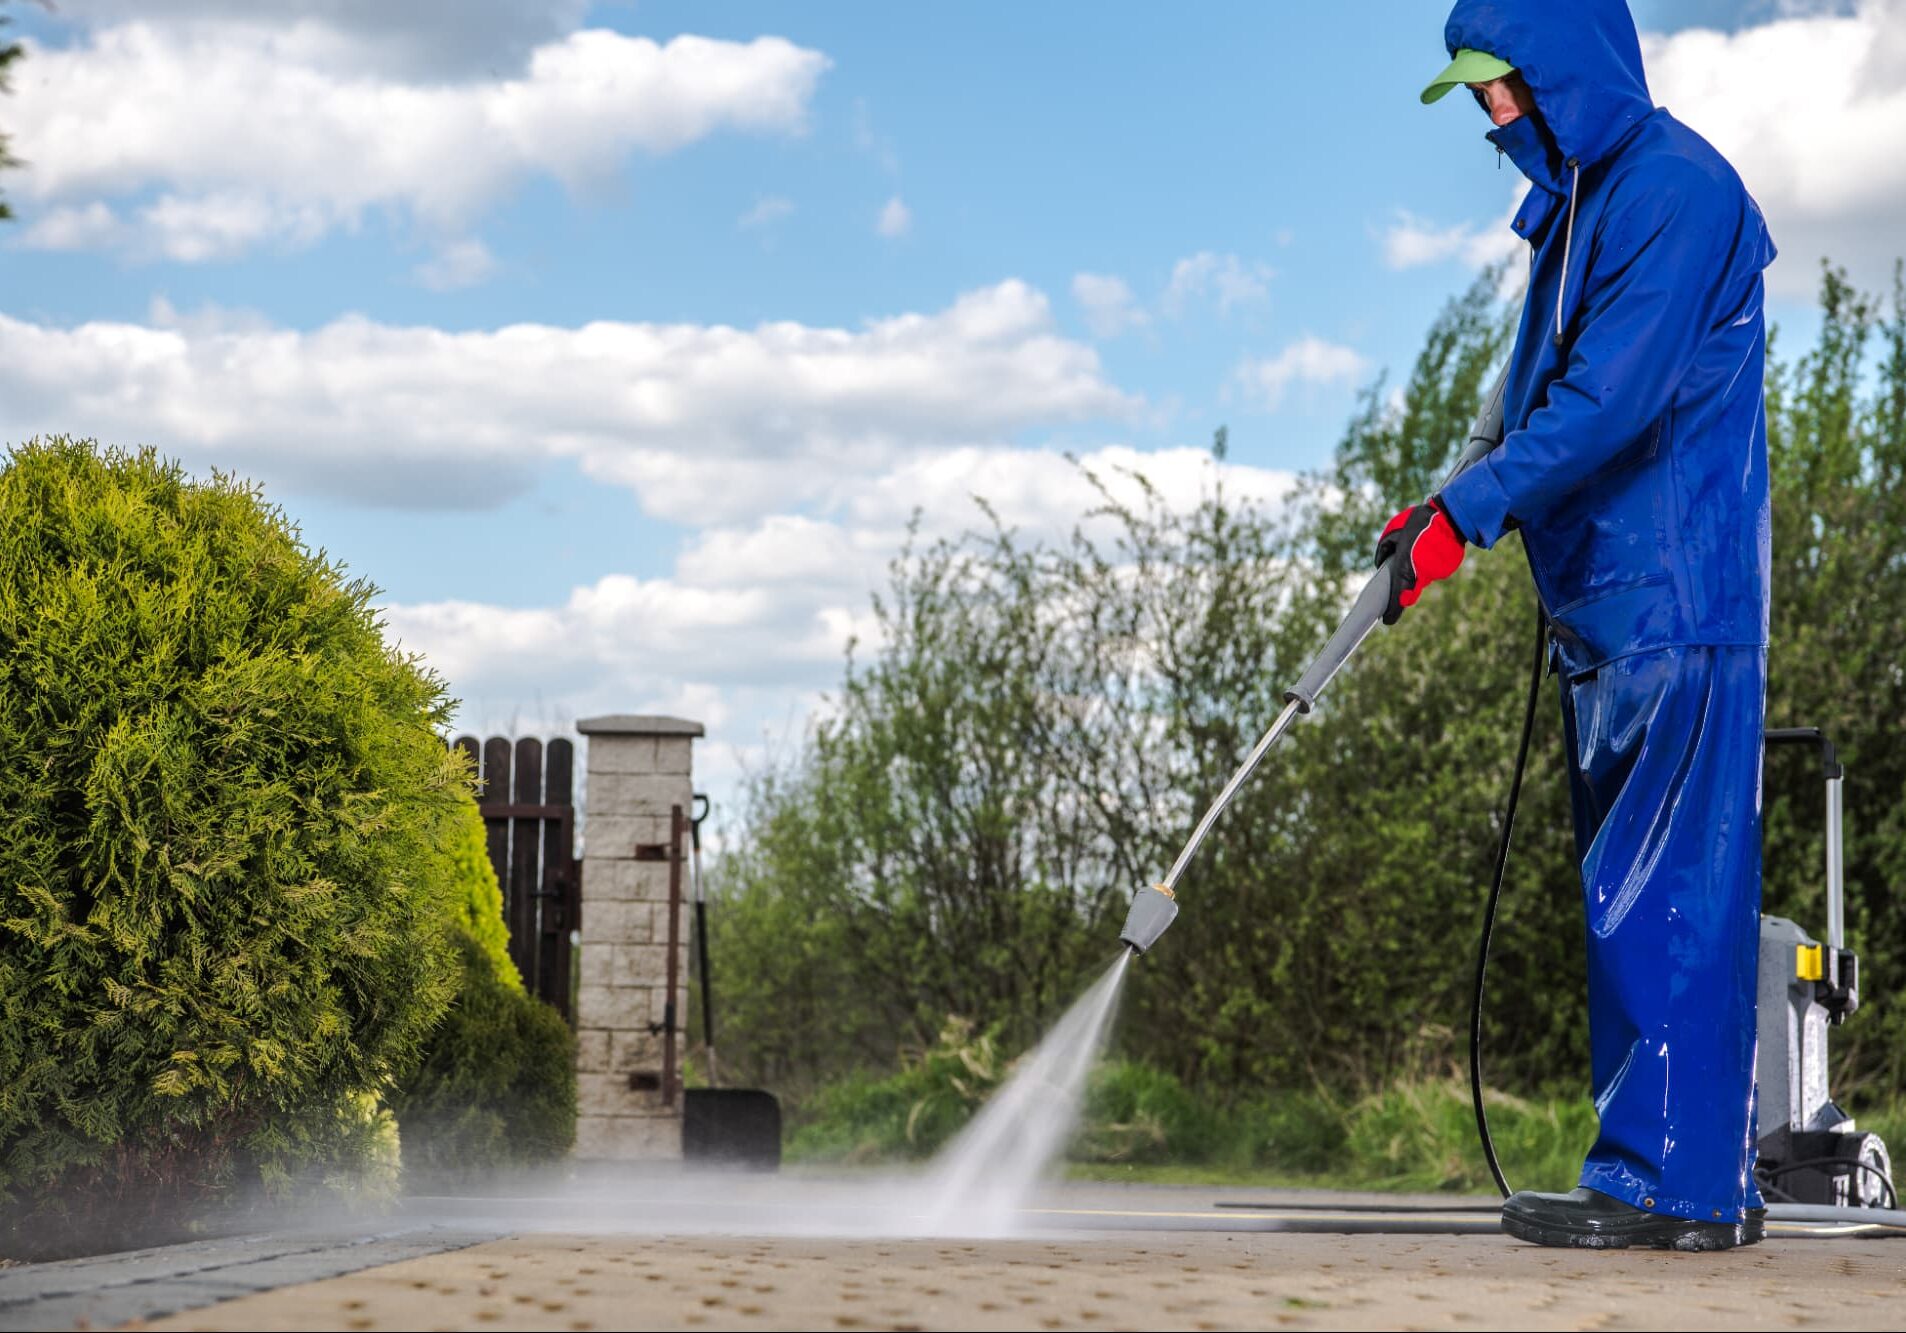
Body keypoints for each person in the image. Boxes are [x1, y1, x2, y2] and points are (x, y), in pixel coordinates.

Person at [1379, 0, 1778, 1250]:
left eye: (1503, 83)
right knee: (1637, 896)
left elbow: (1606, 402)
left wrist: (1467, 514)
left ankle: (1668, 1185)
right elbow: (1529, 407)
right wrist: (1443, 504)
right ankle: (1694, 1179)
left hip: (1671, 591)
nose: (1491, 111)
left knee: (1666, 896)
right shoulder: (1580, 207)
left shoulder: (1671, 191)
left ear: (1567, 69)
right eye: (1477, 91)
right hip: (1611, 607)